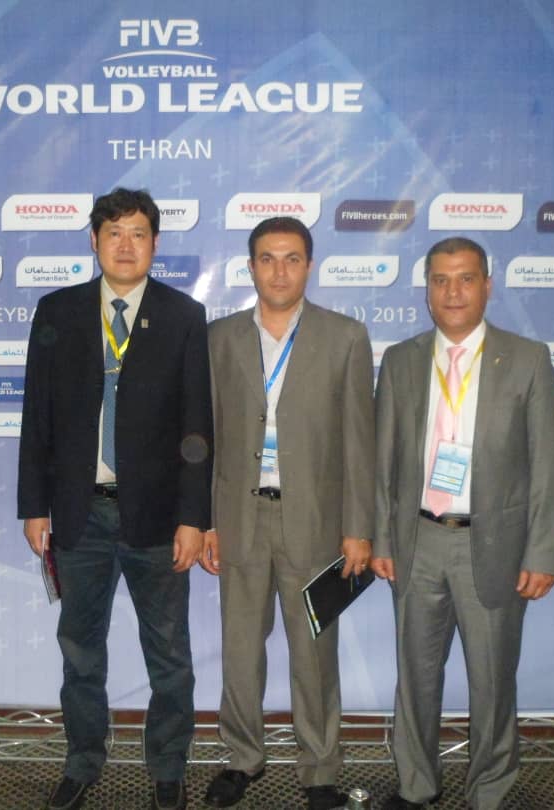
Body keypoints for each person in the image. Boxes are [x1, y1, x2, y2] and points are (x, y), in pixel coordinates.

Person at [18, 187, 213, 810]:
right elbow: (37, 417)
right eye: (114, 233)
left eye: (138, 233)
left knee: (169, 654)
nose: (126, 245)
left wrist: (194, 518)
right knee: (80, 651)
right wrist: (35, 506)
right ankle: (82, 761)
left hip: (158, 518)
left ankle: (168, 767)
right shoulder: (57, 311)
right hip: (80, 515)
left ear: (155, 244)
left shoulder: (183, 316)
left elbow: (197, 428)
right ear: (94, 241)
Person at [372, 236, 554, 810]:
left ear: (487, 285)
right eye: (440, 280)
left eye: (465, 279)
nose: (452, 292)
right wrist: (383, 538)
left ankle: (489, 791)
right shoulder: (402, 360)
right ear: (427, 290)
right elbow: (383, 463)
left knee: (492, 681)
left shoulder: (527, 359)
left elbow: (550, 467)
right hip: (418, 541)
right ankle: (417, 786)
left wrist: (543, 553)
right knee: (415, 677)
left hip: (495, 547)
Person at [199, 216, 376, 810]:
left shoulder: (345, 337)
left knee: (315, 656)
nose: (279, 271)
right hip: (240, 520)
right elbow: (205, 439)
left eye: (292, 258)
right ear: (251, 267)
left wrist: (358, 528)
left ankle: (320, 770)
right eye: (268, 258)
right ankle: (242, 759)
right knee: (240, 651)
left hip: (317, 525)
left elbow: (359, 442)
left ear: (309, 265)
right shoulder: (219, 338)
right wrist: (206, 521)